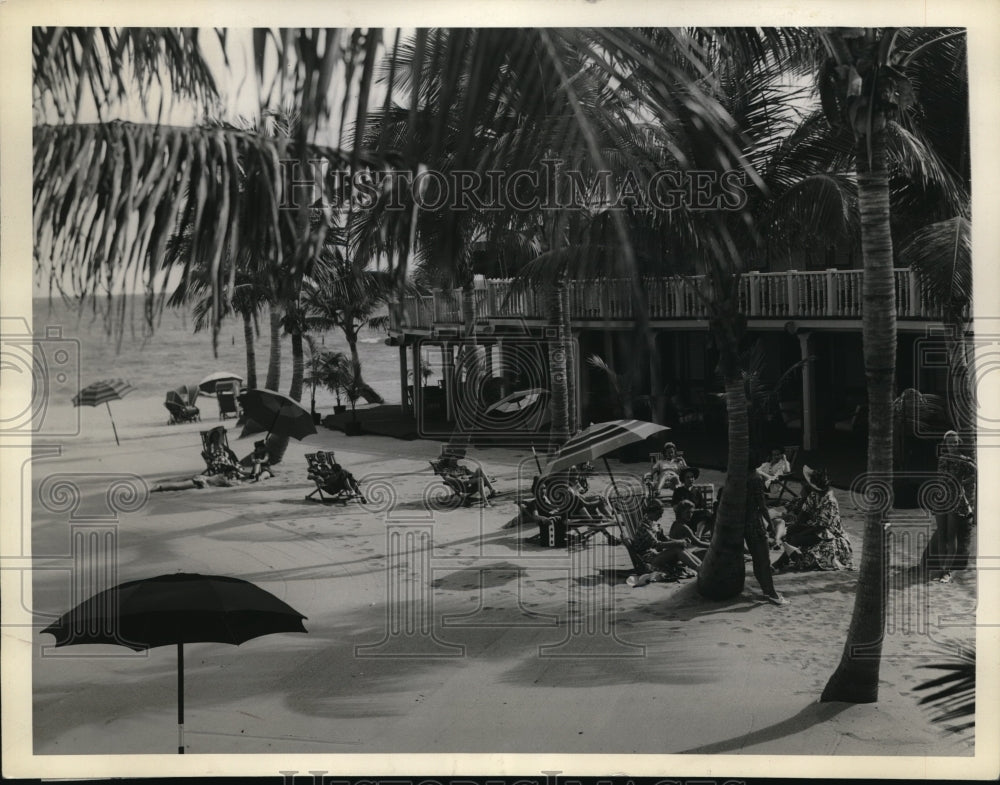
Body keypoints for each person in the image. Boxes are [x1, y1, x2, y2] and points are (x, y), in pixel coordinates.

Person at [771, 466, 853, 572]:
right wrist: (795, 527)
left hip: (828, 532)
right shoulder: (814, 495)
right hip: (814, 526)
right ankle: (786, 559)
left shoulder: (829, 501)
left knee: (797, 538)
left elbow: (821, 526)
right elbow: (804, 514)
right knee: (791, 532)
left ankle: (780, 562)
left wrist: (801, 533)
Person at [928, 431, 976, 583]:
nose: (953, 445)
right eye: (950, 443)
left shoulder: (964, 460)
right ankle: (942, 568)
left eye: (955, 442)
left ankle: (946, 572)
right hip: (941, 499)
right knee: (942, 535)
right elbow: (939, 478)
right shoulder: (942, 459)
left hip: (956, 501)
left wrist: (962, 483)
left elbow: (975, 473)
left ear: (958, 443)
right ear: (946, 444)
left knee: (951, 536)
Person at [743, 474, 788, 605]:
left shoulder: (741, 477)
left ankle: (767, 590)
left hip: (746, 525)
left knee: (758, 560)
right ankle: (771, 593)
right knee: (763, 561)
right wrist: (771, 527)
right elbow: (762, 507)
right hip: (755, 525)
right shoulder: (755, 479)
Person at [627, 497, 702, 575]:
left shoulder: (653, 524)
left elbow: (665, 538)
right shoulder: (644, 527)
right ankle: (698, 568)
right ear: (652, 512)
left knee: (679, 547)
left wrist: (679, 542)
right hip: (648, 560)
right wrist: (678, 542)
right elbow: (658, 544)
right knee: (676, 549)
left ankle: (701, 565)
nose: (660, 516)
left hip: (654, 555)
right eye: (659, 514)